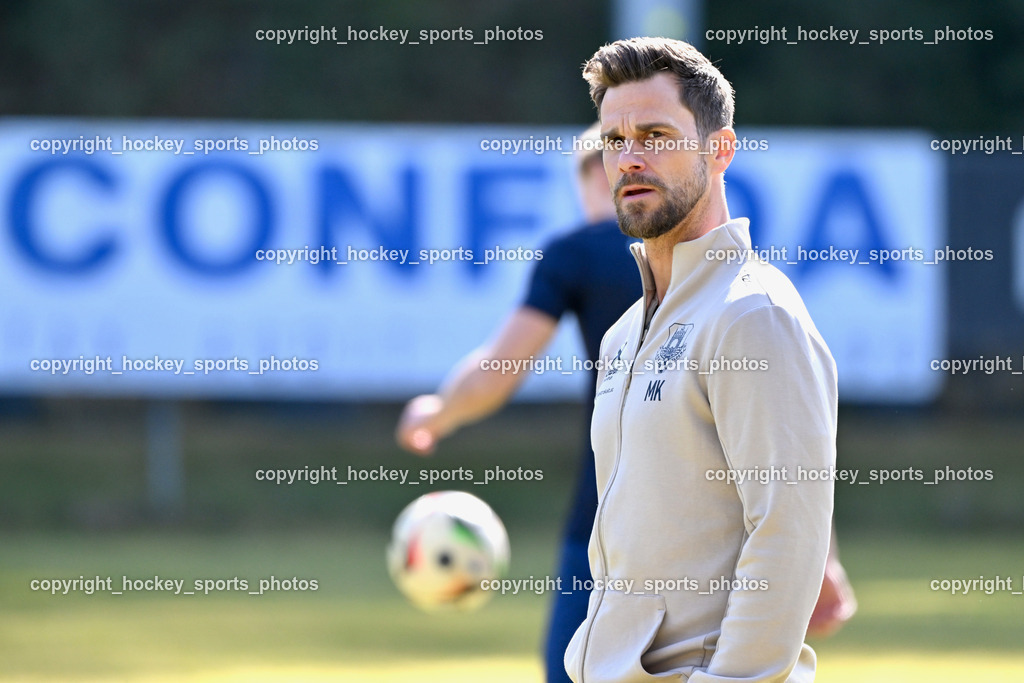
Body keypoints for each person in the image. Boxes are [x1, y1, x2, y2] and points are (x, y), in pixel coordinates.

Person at [562, 37, 837, 682]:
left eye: (655, 135)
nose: (630, 158)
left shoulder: (753, 314)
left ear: (720, 149)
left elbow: (788, 530)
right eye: (614, 140)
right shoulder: (623, 334)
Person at [396, 123, 640, 683]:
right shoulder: (710, 257)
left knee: (571, 671)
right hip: (717, 520)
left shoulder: (575, 253)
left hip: (609, 510)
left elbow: (500, 368)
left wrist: (438, 412)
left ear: (591, 176)